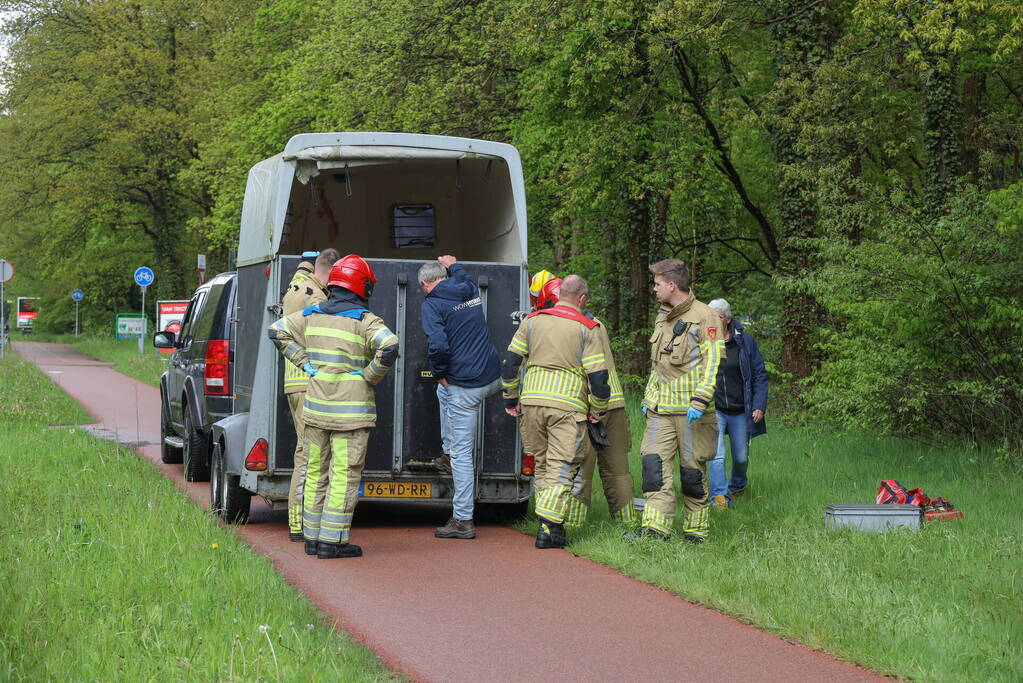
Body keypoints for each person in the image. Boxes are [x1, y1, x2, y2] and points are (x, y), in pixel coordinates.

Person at [267, 254, 398, 559]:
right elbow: (390, 346)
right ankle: (332, 542)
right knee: (343, 474)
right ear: (361, 286)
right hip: (350, 415)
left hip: (315, 408)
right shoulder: (365, 321)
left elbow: (276, 331)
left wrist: (308, 365)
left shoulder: (310, 314)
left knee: (315, 472)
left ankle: (312, 540)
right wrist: (369, 375)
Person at [501, 274, 611, 549]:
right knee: (562, 466)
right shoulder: (588, 327)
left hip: (532, 402)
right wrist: (598, 410)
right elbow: (598, 377)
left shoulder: (532, 321)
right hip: (567, 406)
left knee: (542, 464)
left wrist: (510, 398)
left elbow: (510, 364)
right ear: (582, 298)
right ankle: (548, 528)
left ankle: (550, 525)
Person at [631, 258, 724, 543]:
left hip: (690, 412)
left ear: (672, 285)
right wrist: (649, 397)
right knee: (653, 467)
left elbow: (712, 362)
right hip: (660, 410)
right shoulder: (663, 315)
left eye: (657, 283)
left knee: (692, 473)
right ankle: (655, 529)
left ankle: (696, 532)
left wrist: (700, 401)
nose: (654, 288)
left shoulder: (706, 316)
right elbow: (658, 364)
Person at [533, 278, 637, 530]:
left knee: (580, 468)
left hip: (590, 406)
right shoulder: (595, 324)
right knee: (618, 470)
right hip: (615, 404)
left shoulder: (572, 328)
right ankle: (627, 523)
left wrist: (593, 408)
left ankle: (572, 524)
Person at [418, 255, 502, 539]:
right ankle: (448, 450)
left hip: (466, 386)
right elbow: (463, 275)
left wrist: (439, 371)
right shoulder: (466, 288)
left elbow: (438, 345)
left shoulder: (432, 304)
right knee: (443, 391)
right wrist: (452, 263)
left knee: (463, 458)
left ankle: (463, 520)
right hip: (492, 377)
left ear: (427, 283)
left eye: (422, 288)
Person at [281, 248, 340, 542]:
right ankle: (298, 523)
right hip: (308, 382)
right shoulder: (316, 295)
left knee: (304, 452)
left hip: (295, 382)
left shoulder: (295, 286)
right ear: (329, 270)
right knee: (307, 456)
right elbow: (320, 339)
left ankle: (299, 521)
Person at [706, 298, 768, 509]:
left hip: (741, 409)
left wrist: (759, 405)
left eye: (718, 316)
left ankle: (738, 485)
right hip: (714, 409)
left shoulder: (745, 342)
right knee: (717, 457)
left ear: (728, 319)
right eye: (710, 316)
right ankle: (719, 498)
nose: (713, 320)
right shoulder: (705, 342)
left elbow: (759, 375)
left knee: (741, 457)